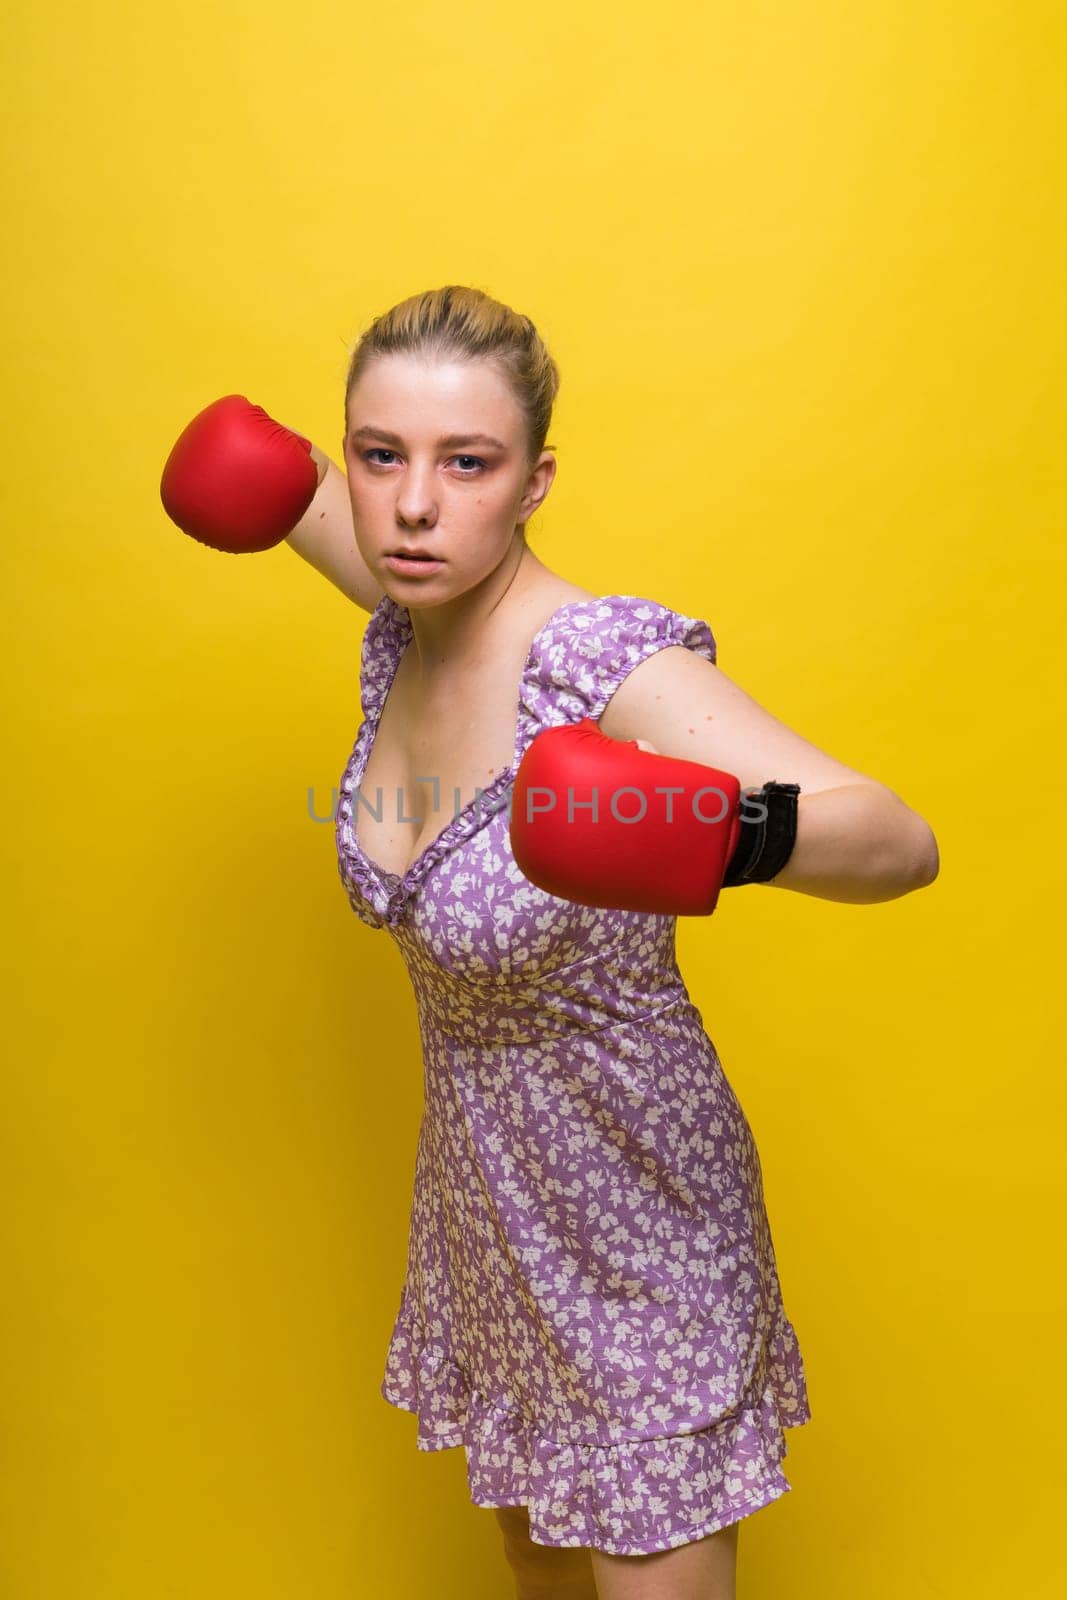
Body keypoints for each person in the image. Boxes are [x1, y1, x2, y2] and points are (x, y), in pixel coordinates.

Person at [161, 285, 939, 1600]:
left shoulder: (601, 665)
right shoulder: (417, 614)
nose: (415, 506)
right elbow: (351, 523)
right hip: (484, 1215)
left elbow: (899, 840)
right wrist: (280, 488)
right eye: (378, 454)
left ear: (536, 482)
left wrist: (714, 832)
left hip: (638, 1221)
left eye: (469, 463)